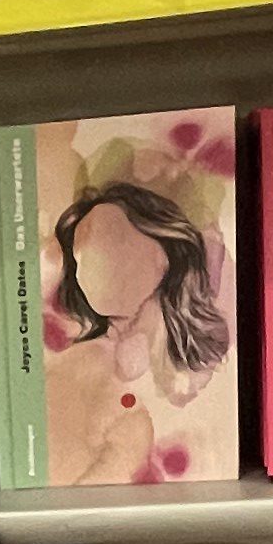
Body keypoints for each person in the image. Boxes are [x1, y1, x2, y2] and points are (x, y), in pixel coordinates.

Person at [41, 178, 232, 480]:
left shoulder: (190, 375)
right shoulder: (75, 356)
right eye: (77, 249)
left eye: (112, 235)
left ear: (161, 253)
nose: (84, 256)